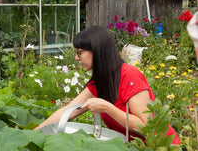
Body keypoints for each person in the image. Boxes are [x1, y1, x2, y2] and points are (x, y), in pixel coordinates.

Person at [34, 26, 181, 144]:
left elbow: (146, 127)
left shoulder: (129, 76)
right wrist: (34, 133)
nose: (76, 58)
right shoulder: (100, 81)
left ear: (96, 51)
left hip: (159, 146)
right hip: (133, 147)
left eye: (79, 53)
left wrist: (107, 108)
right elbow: (69, 111)